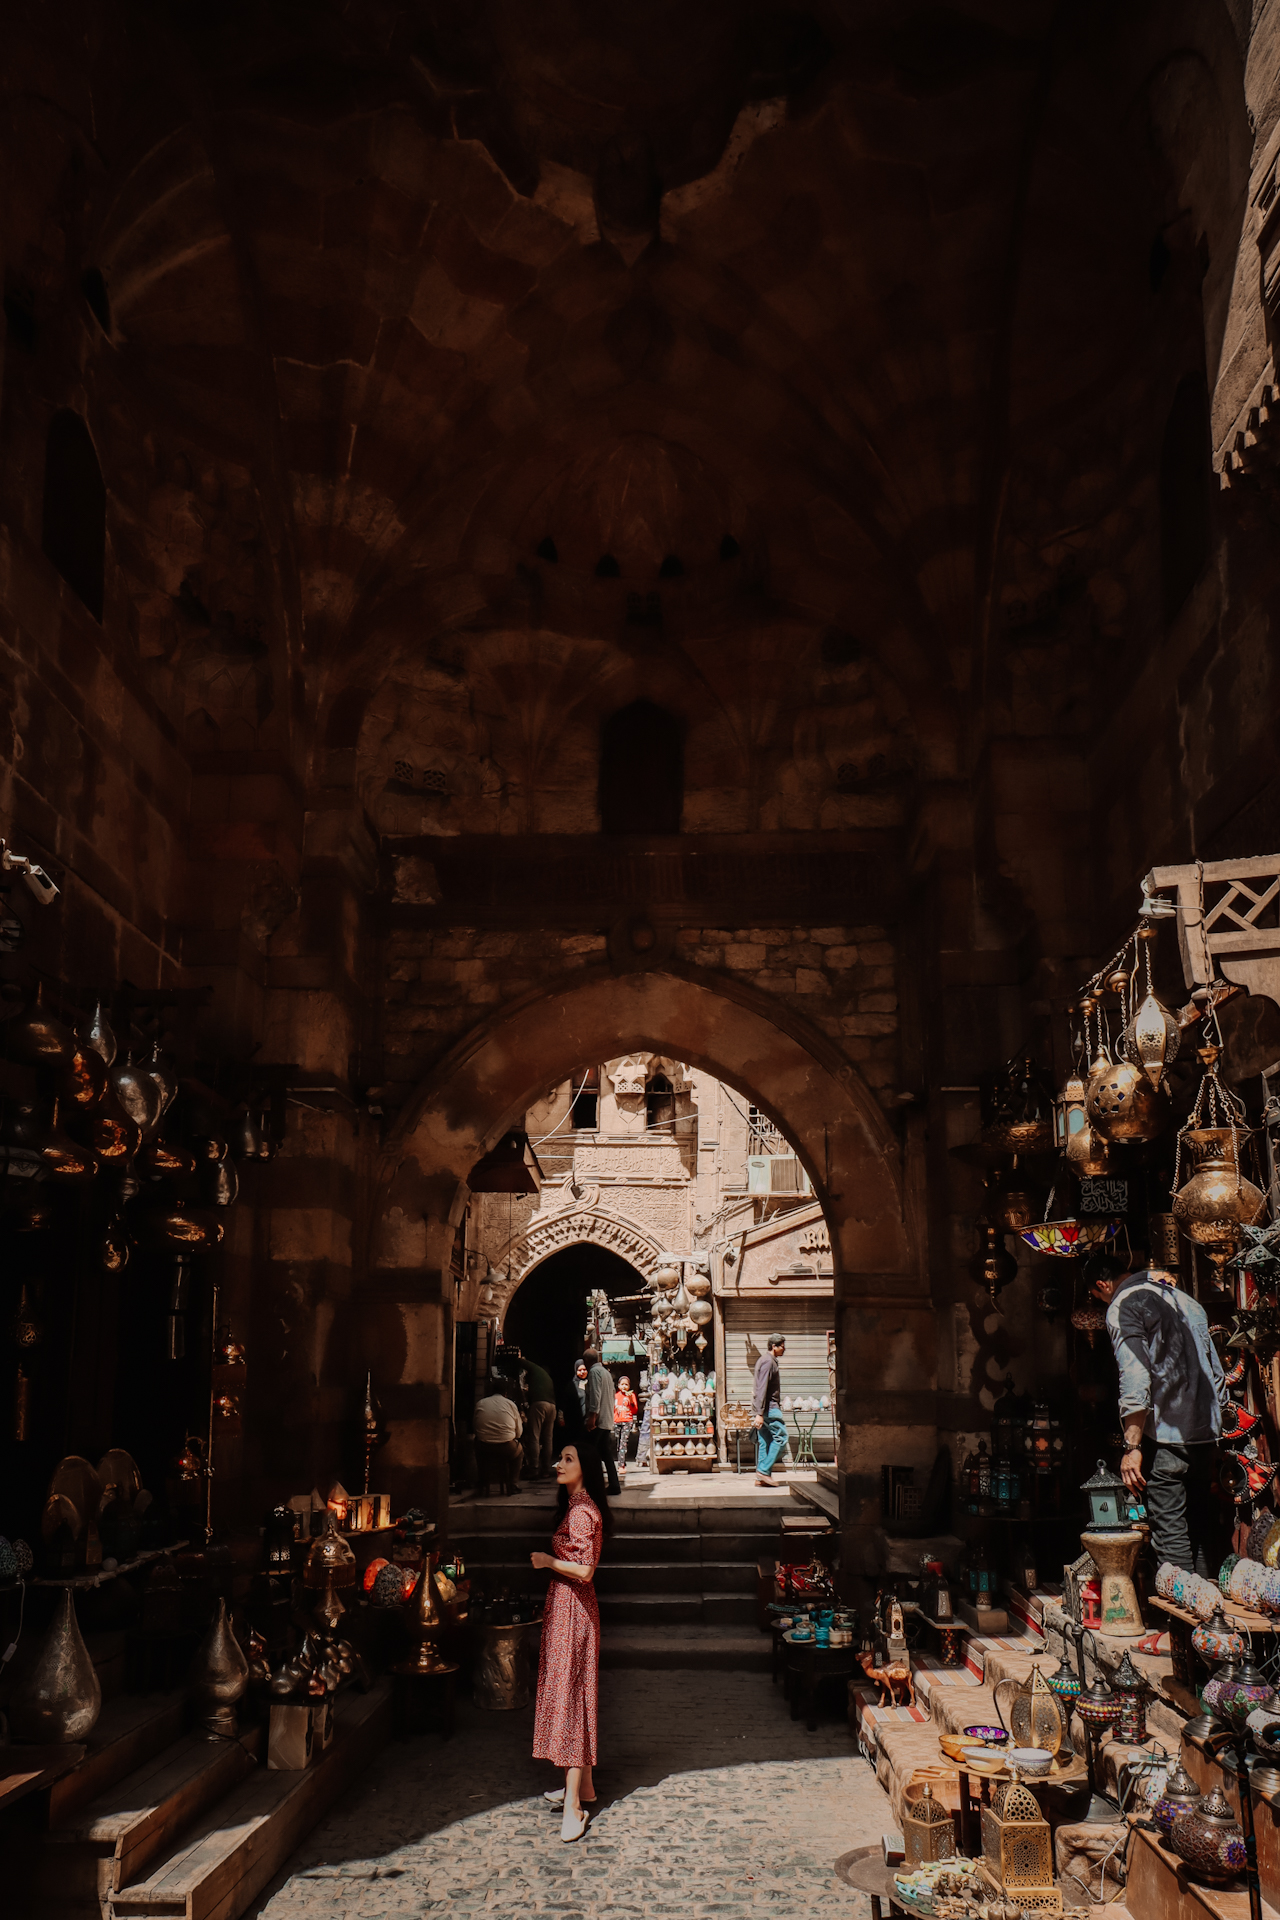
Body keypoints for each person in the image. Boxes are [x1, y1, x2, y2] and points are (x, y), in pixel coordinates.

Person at [1094, 1253, 1228, 1573]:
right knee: (1197, 1533)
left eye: (1097, 1295)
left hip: (1168, 1439)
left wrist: (1132, 1447)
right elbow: (1217, 1376)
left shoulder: (1124, 1304)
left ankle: (1183, 1619)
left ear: (1102, 1285)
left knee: (1172, 1538)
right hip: (1205, 1436)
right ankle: (1207, 1618)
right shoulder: (1186, 1301)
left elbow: (1136, 1376)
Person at [531, 1441, 611, 1842]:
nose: (558, 1465)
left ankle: (574, 1808)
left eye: (568, 1459)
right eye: (560, 1458)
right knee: (572, 1691)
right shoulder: (576, 1507)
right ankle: (584, 1786)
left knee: (570, 1697)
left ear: (585, 1467)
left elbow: (585, 1570)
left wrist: (548, 1561)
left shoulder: (582, 1512)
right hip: (568, 1608)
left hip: (574, 1608)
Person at [473, 1383, 524, 1496]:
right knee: (519, 1452)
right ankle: (513, 1484)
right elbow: (519, 1431)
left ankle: (482, 1480)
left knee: (477, 1448)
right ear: (505, 1393)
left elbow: (476, 1426)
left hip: (484, 1446)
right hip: (507, 1446)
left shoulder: (481, 1403)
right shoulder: (510, 1404)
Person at [583, 1347, 621, 1496]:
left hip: (598, 1420)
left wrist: (592, 1417)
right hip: (606, 1419)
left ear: (586, 1361)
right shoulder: (606, 1372)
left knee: (591, 1454)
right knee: (605, 1454)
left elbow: (595, 1396)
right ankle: (614, 1485)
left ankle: (594, 1486)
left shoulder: (594, 1372)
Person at [752, 1334, 788, 1486]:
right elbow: (761, 1388)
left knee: (765, 1441)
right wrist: (759, 1413)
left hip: (764, 1409)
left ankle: (761, 1477)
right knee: (781, 1438)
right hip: (769, 1409)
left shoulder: (767, 1360)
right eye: (782, 1345)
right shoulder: (767, 1362)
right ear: (774, 1346)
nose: (784, 1348)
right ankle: (764, 1471)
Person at [523, 1355, 559, 1481]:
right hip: (552, 1406)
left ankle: (534, 1468)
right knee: (548, 1438)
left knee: (534, 1436)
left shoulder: (535, 1370)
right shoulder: (548, 1379)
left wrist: (514, 1358)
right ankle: (545, 1469)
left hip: (539, 1404)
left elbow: (524, 1363)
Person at [613, 1374, 638, 1476]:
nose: (624, 1386)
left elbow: (635, 1410)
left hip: (627, 1421)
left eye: (626, 1384)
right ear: (618, 1385)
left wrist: (631, 1402)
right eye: (622, 1384)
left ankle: (621, 1465)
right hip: (617, 1421)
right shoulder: (615, 1396)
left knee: (623, 1443)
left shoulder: (631, 1396)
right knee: (618, 1443)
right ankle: (621, 1461)